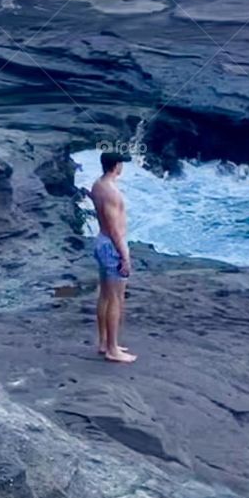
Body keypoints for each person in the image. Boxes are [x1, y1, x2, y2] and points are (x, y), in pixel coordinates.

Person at [90, 151, 136, 363]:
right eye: (121, 163)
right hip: (111, 246)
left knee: (105, 296)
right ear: (116, 166)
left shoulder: (97, 185)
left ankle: (104, 342)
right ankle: (112, 349)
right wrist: (124, 256)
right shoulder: (112, 193)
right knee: (116, 298)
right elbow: (115, 230)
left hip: (101, 241)